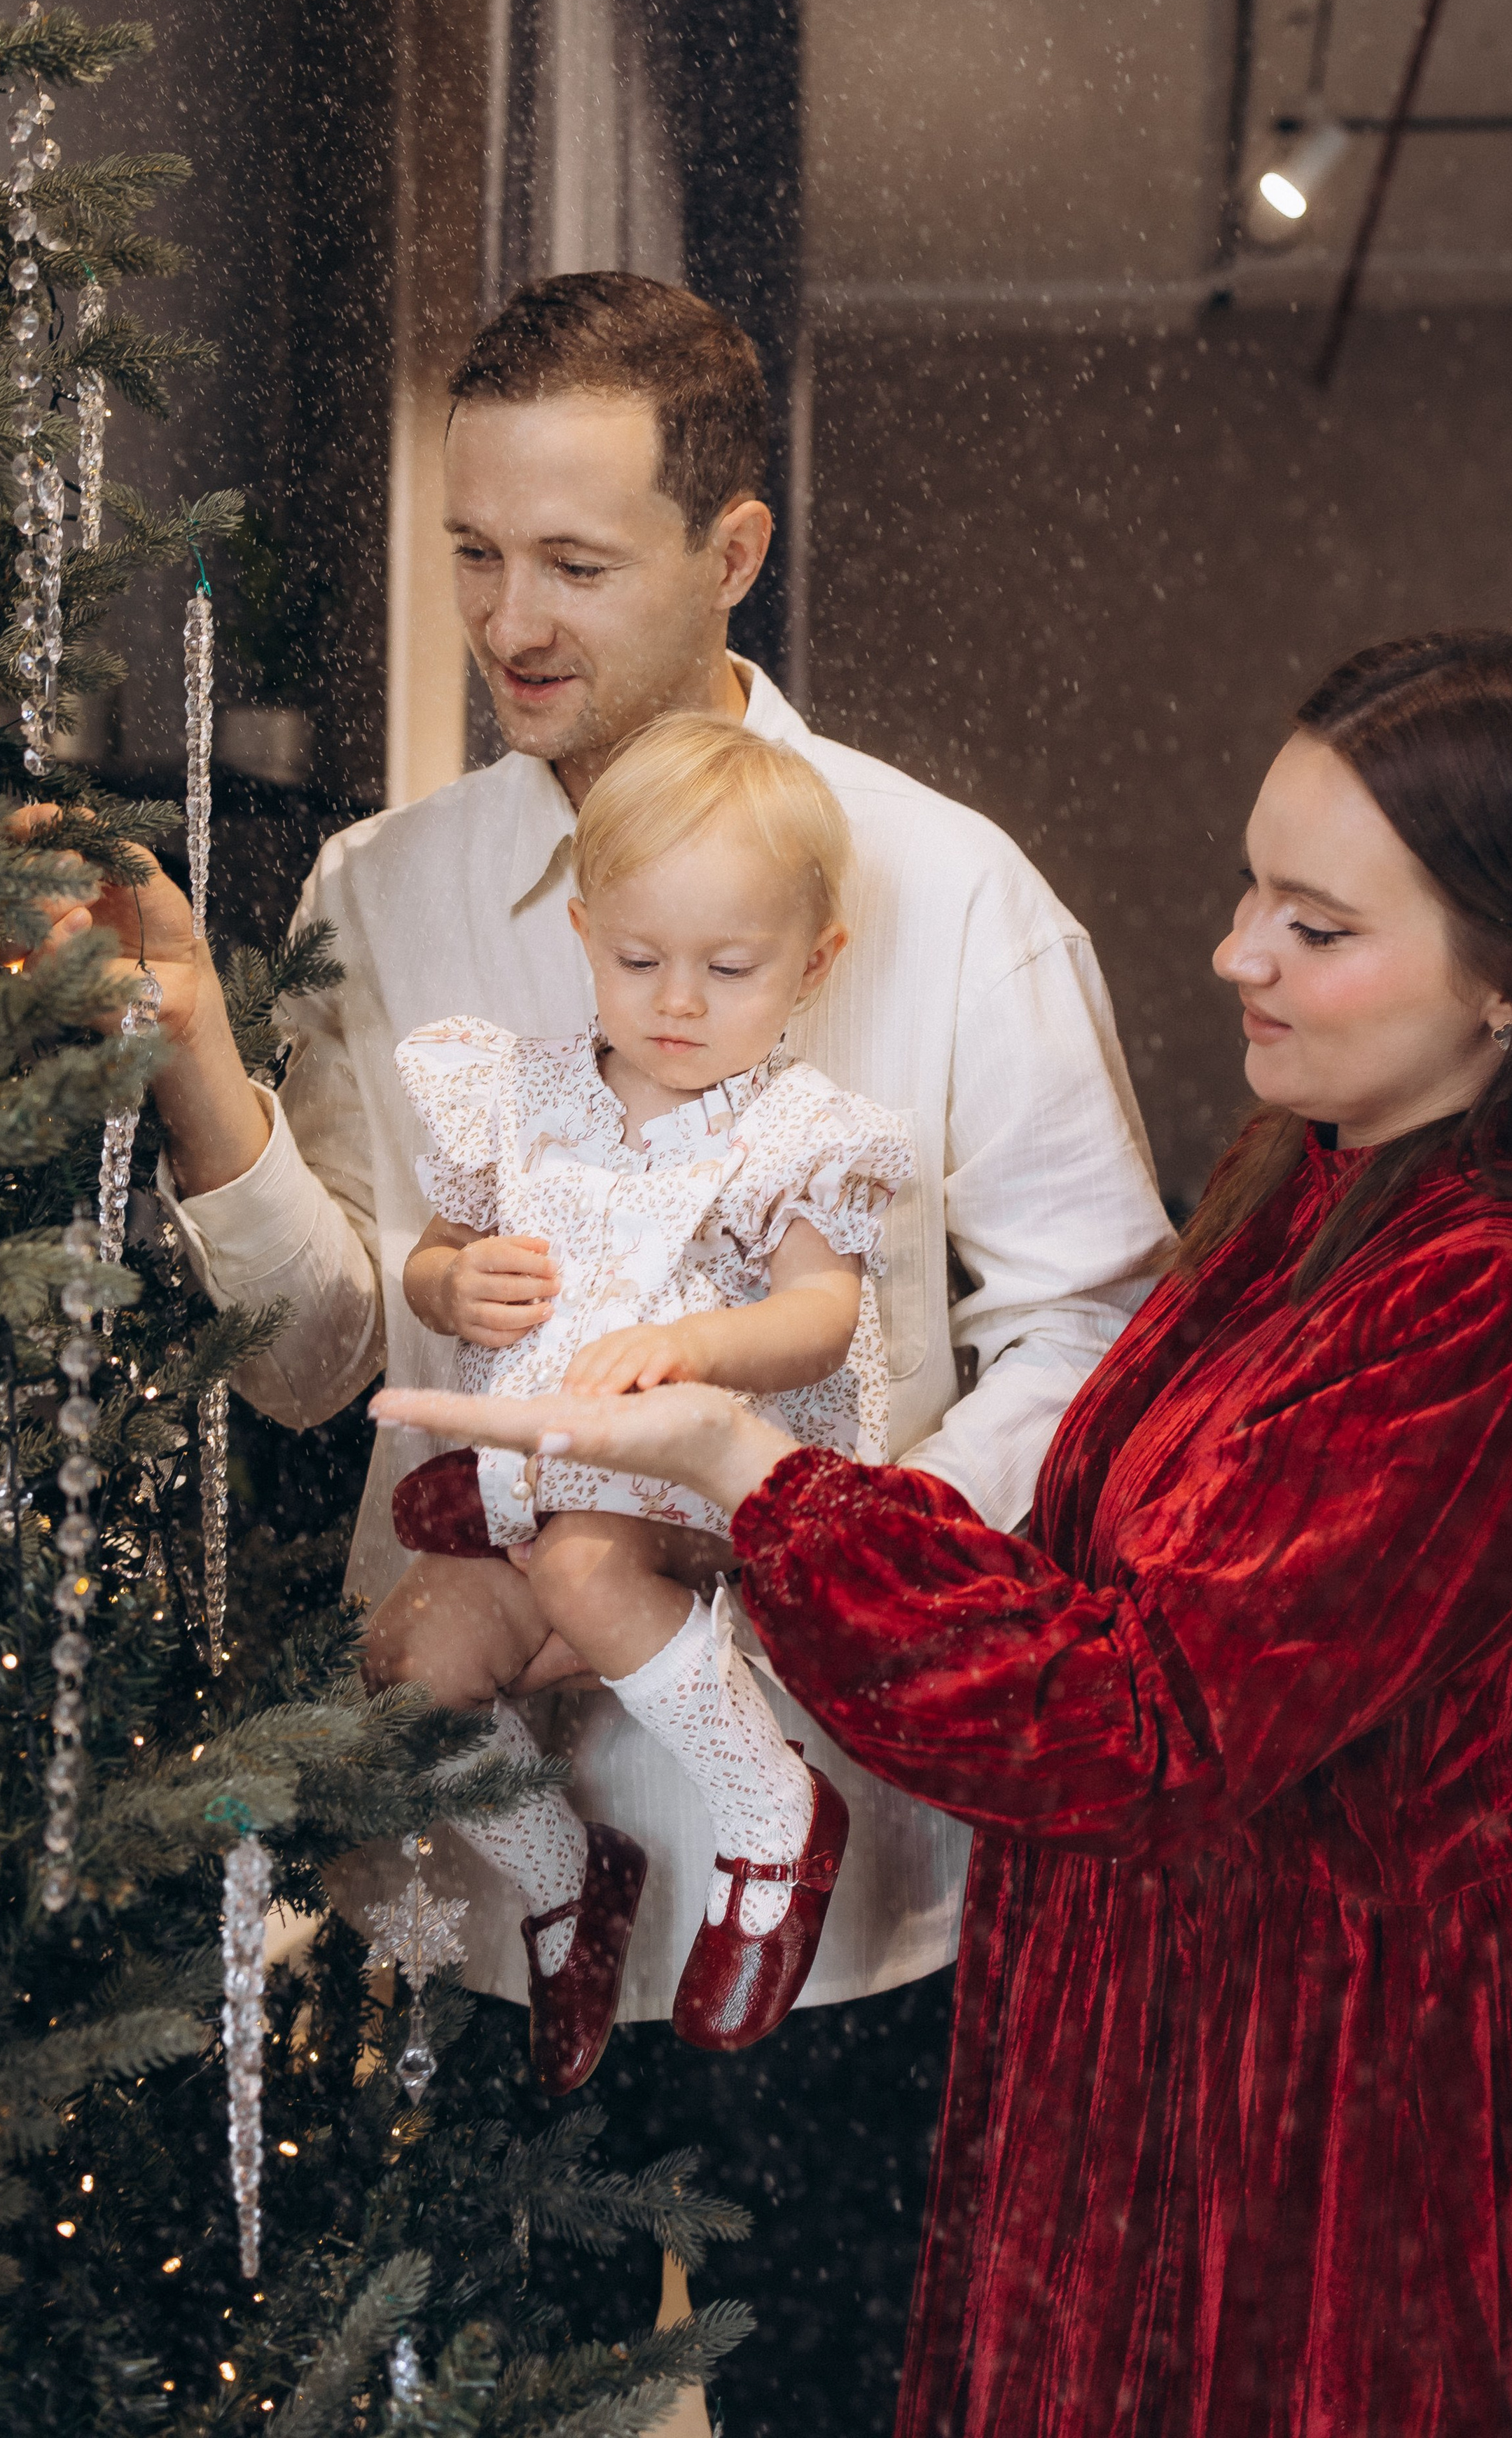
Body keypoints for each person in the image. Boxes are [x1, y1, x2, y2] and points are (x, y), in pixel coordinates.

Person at [376, 630, 1512, 2437]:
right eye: (1252, 888)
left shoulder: (1507, 1315)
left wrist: (753, 1474)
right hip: (1175, 2051)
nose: (1232, 953)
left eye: (1315, 928)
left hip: (1366, 2113)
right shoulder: (1305, 1186)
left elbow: (1141, 1721)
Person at [48, 272, 1172, 2426]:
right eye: (475, 553)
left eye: (576, 561)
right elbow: (323, 1360)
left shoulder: (953, 893)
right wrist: (198, 1059)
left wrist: (813, 1538)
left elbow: (1094, 1332)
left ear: (731, 550)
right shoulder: (386, 893)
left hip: (850, 1880)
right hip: (472, 1874)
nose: (511, 619)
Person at [374, 714, 914, 2086]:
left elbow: (820, 1315)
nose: (677, 1001)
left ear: (813, 961)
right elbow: (437, 1254)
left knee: (583, 1556)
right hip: (538, 1475)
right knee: (412, 1650)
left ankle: (770, 1811)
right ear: (582, 927)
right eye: (636, 960)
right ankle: (566, 1871)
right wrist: (451, 1287)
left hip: (703, 1481)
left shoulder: (788, 1130)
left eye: (728, 969)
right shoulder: (526, 1095)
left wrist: (698, 1344)